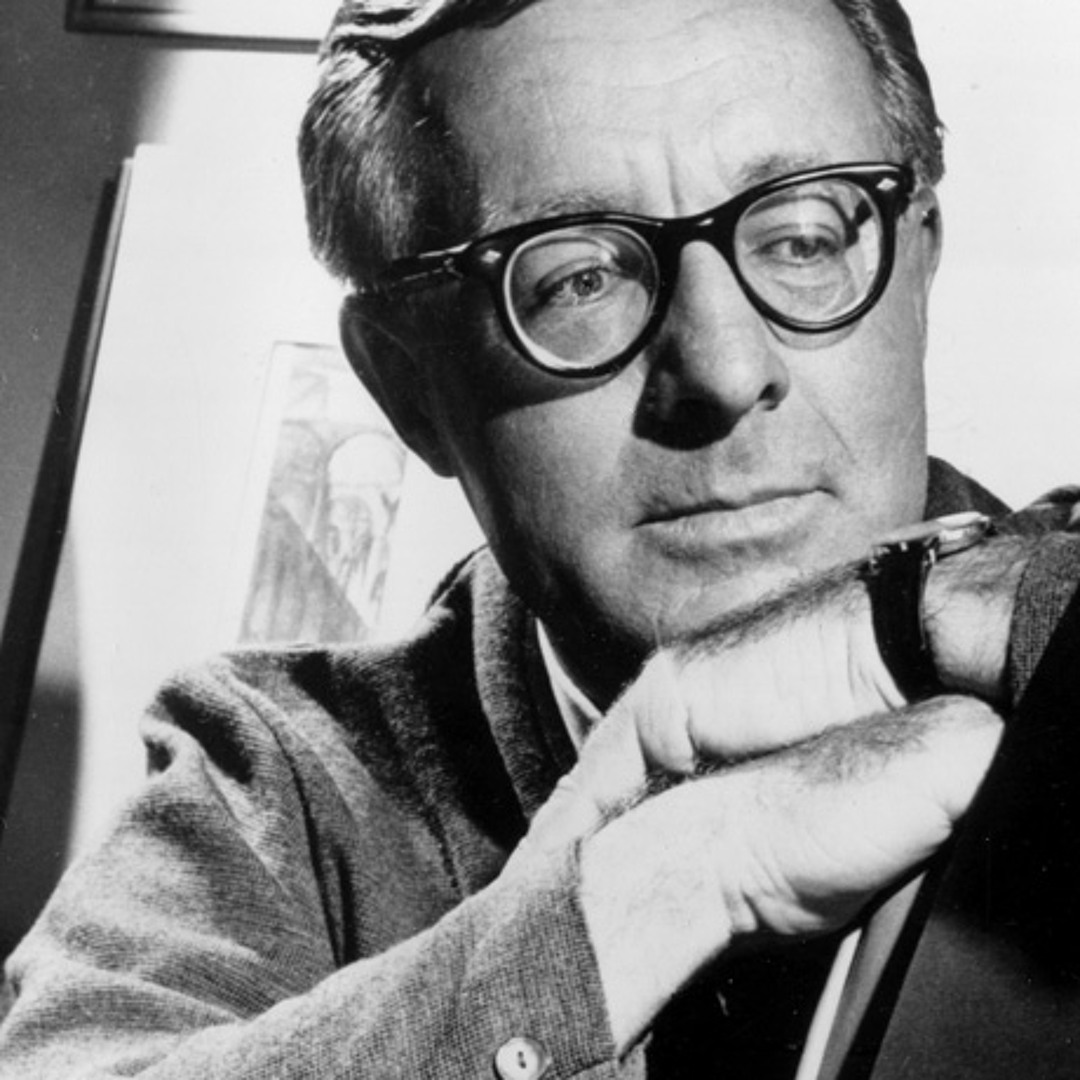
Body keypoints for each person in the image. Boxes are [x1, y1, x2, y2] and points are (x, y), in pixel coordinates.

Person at [1, 0, 1079, 1076]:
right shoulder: (282, 786)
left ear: (918, 269)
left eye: (801, 238)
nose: (723, 368)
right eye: (577, 280)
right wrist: (670, 879)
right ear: (410, 388)